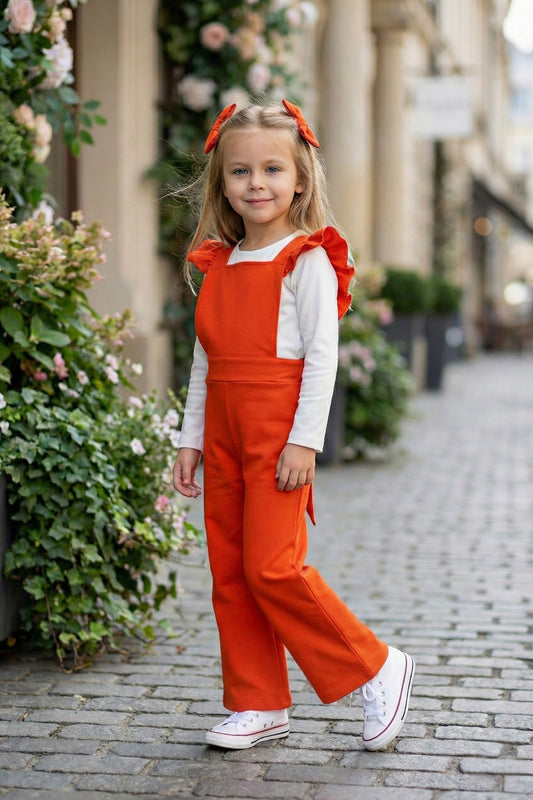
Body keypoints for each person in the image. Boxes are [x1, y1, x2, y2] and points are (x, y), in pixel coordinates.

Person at [173, 99, 415, 752]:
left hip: (278, 438)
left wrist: (305, 440)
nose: (256, 183)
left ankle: (374, 666)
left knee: (273, 567)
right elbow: (205, 362)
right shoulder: (217, 263)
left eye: (272, 169)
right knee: (229, 570)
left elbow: (322, 357)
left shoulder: (304, 259)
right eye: (240, 171)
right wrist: (189, 440)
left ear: (300, 178)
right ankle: (257, 702)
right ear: (221, 182)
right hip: (222, 435)